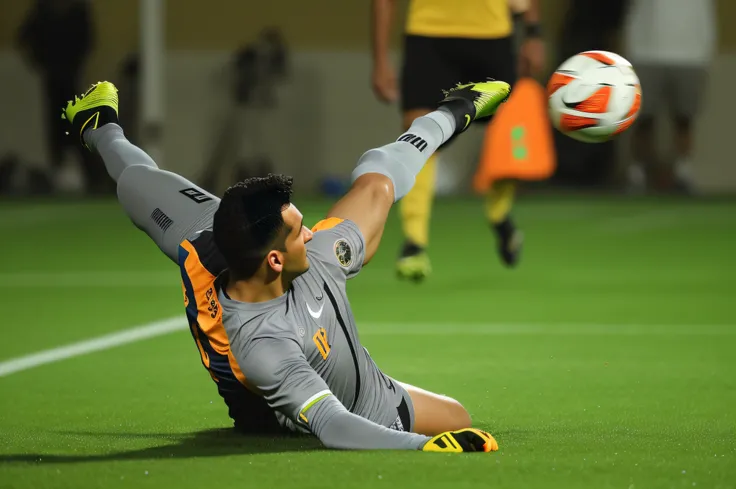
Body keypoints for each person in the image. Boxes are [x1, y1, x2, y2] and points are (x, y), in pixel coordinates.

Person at [61, 79, 510, 451]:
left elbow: (378, 185)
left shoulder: (295, 251)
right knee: (446, 425)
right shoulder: (263, 348)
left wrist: (454, 113)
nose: (312, 233)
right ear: (276, 259)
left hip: (344, 359)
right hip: (330, 409)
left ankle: (96, 123)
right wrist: (421, 447)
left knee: (141, 181)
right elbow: (334, 427)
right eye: (299, 230)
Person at [371, 0, 545, 280]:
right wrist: (379, 59)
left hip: (492, 35)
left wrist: (534, 32)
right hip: (428, 35)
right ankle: (413, 243)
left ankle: (499, 214)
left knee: (503, 132)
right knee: (421, 134)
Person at [623, 0, 717, 193]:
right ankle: (638, 176)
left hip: (692, 54)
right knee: (643, 119)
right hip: (646, 51)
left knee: (684, 119)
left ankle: (683, 173)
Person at [17, 0, 108, 194]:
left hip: (71, 77)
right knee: (57, 129)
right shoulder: (43, 9)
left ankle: (92, 177)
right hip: (53, 78)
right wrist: (40, 62)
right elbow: (24, 39)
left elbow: (88, 41)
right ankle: (61, 172)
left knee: (77, 128)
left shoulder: (77, 10)